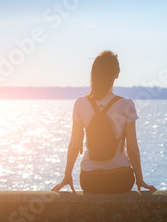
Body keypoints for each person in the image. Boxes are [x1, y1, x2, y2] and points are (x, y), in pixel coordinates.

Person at [52, 50, 156, 193]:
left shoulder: (80, 103)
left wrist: (67, 175)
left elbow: (74, 145)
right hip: (120, 180)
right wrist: (140, 179)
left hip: (89, 180)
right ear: (117, 74)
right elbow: (132, 148)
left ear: (93, 73)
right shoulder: (127, 104)